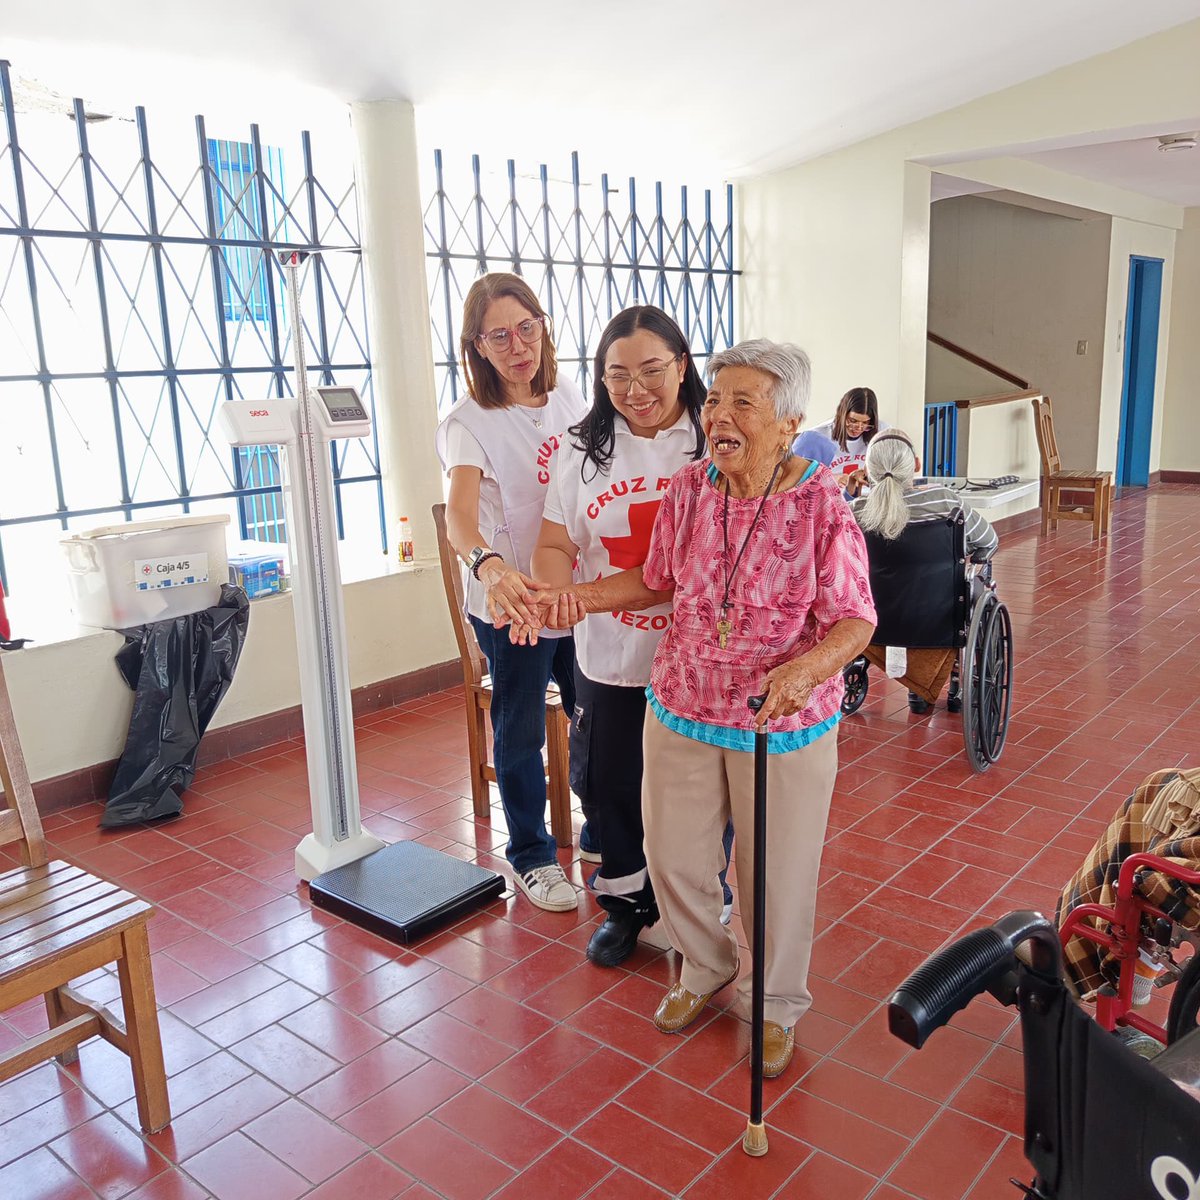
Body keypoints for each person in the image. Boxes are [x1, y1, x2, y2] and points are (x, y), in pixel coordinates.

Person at [531, 339, 876, 1078]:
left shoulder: (821, 504)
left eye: (741, 402)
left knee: (773, 875)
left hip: (776, 724)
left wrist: (807, 668)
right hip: (683, 705)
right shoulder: (690, 490)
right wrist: (577, 597)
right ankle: (704, 966)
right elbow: (655, 580)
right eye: (715, 400)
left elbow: (855, 619)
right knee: (674, 857)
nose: (718, 415)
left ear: (787, 424)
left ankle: (774, 1001)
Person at [532, 305, 707, 966]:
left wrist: (584, 595)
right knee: (610, 787)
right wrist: (552, 593)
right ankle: (628, 908)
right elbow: (555, 541)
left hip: (698, 661)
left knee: (695, 790)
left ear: (682, 366)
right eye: (617, 375)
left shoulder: (710, 440)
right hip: (610, 658)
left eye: (652, 370)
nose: (636, 389)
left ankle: (697, 909)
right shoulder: (581, 450)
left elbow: (680, 572)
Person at [435, 272, 587, 912]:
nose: (518, 345)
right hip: (515, 604)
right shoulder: (468, 423)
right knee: (520, 728)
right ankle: (530, 854)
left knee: (597, 717)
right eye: (499, 335)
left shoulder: (570, 398)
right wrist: (489, 566)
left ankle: (605, 836)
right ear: (478, 345)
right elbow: (459, 519)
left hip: (576, 596)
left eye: (527, 327)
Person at [850, 429, 998, 713]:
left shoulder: (855, 512)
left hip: (872, 621)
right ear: (916, 465)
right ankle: (952, 677)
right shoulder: (945, 502)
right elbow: (989, 541)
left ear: (867, 471)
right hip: (939, 617)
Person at [810, 386, 890, 494]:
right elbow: (802, 481)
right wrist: (834, 479)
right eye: (853, 420)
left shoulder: (883, 431)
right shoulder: (818, 437)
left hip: (867, 498)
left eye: (865, 423)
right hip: (830, 499)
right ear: (842, 414)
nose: (858, 428)